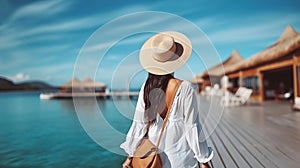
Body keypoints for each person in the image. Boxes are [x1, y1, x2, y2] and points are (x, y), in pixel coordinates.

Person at [120, 31, 213, 168]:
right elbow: (192, 128)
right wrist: (204, 160)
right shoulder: (185, 88)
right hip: (181, 161)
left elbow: (138, 125)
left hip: (153, 161)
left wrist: (130, 156)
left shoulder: (146, 88)